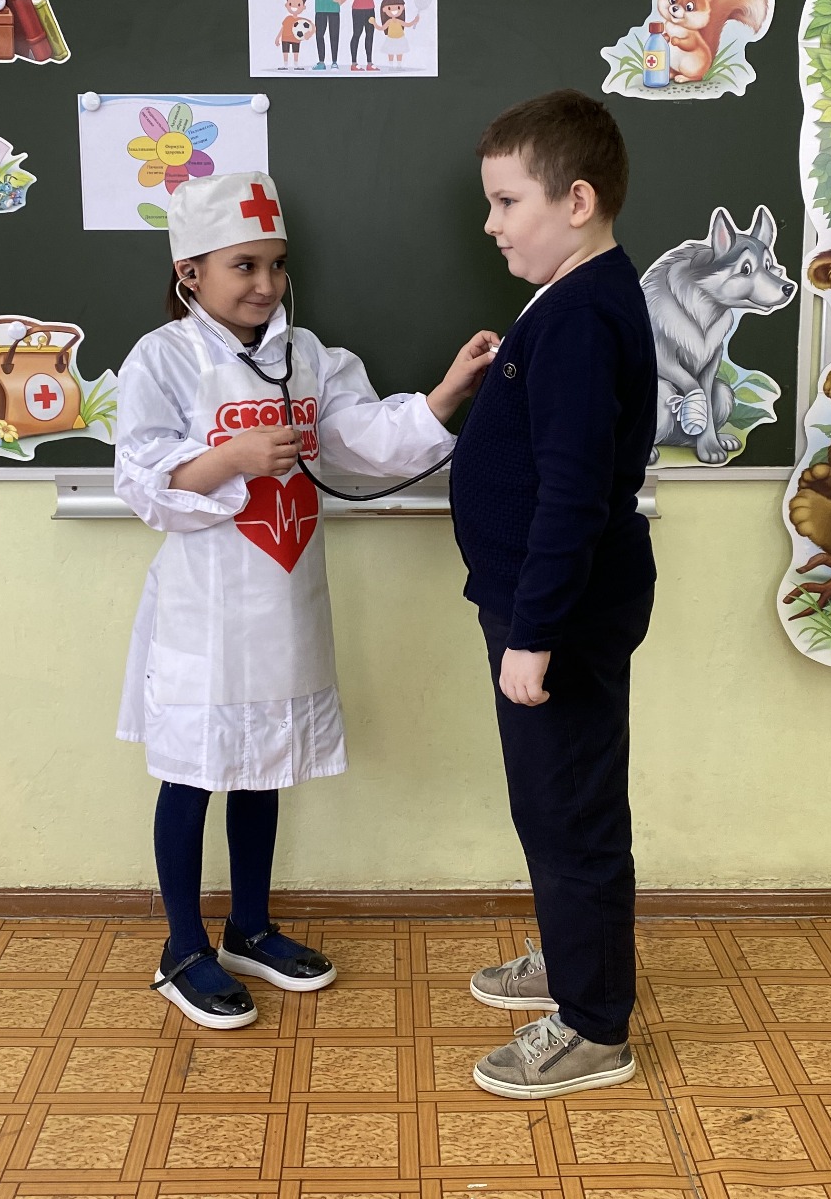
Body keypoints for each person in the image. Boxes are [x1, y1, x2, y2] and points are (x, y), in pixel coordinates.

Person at [115, 170, 496, 1030]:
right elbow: (141, 480)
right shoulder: (162, 359)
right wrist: (232, 459)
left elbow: (360, 438)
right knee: (193, 771)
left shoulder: (309, 355)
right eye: (244, 265)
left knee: (263, 765)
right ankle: (183, 948)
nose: (267, 284)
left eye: (277, 265)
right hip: (206, 613)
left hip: (285, 602)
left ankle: (249, 927)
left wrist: (445, 394)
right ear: (190, 272)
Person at [449, 90, 657, 1099]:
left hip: (558, 614)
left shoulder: (579, 313)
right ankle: (576, 957)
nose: (490, 224)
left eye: (506, 202)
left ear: (576, 201)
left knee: (571, 809)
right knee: (550, 801)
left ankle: (594, 1024)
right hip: (545, 605)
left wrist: (533, 634)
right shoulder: (573, 296)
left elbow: (572, 491)